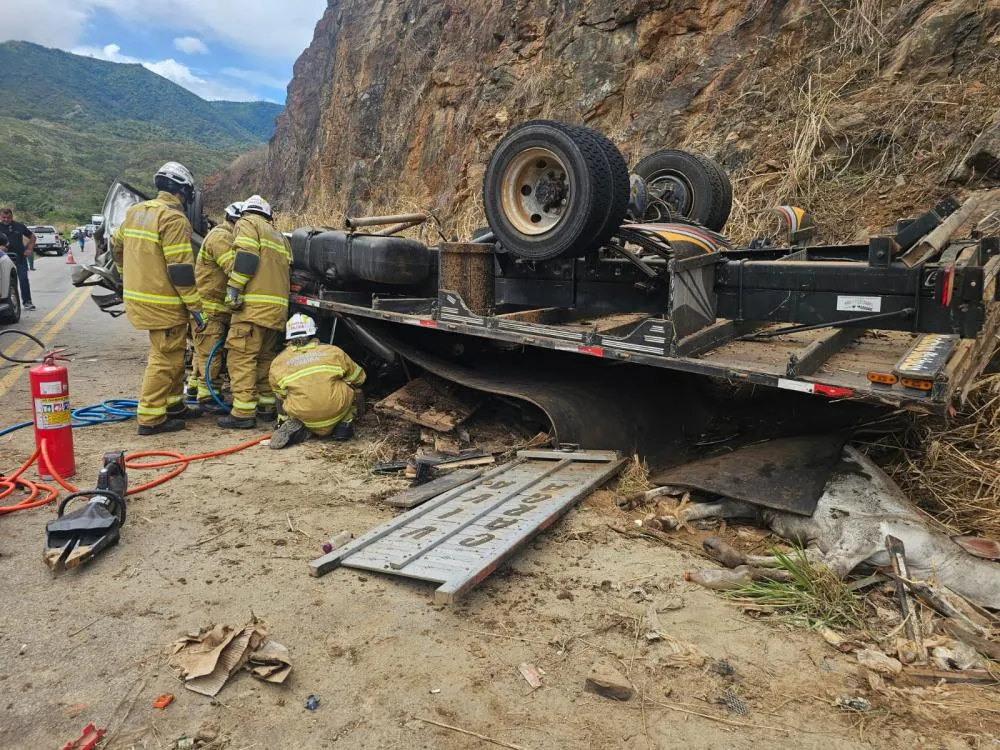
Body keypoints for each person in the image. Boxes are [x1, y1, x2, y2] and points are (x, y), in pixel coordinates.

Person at [111, 162, 205, 435]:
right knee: (164, 358)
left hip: (140, 300)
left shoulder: (135, 212)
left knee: (174, 354)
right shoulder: (173, 219)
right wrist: (196, 307)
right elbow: (181, 269)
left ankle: (174, 406)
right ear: (183, 191)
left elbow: (116, 247)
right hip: (164, 303)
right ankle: (151, 418)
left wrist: (123, 275)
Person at [216, 195, 291, 429]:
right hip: (276, 311)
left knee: (241, 358)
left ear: (246, 212)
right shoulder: (279, 236)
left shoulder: (248, 223)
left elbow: (246, 257)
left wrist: (234, 288)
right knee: (265, 359)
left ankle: (243, 413)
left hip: (253, 309)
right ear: (269, 215)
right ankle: (267, 407)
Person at [268, 313, 366, 449]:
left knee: (282, 394)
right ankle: (344, 424)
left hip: (304, 415)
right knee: (349, 384)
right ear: (313, 332)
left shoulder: (278, 362)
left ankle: (291, 423)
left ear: (289, 337)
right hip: (337, 412)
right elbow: (359, 378)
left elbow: (281, 394)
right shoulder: (333, 352)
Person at [189, 201, 243, 414]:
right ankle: (208, 398)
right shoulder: (222, 237)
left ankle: (195, 388)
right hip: (210, 310)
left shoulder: (224, 235)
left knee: (203, 351)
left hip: (214, 309)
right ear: (236, 220)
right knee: (211, 354)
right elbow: (234, 269)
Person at [0, 208, 36, 310]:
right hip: (3, 260)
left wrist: (29, 249)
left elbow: (32, 236)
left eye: (9, 217)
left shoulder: (19, 226)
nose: (6, 219)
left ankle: (27, 302)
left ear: (12, 217)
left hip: (19, 258)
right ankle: (11, 304)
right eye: (4, 217)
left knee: (23, 279)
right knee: (8, 282)